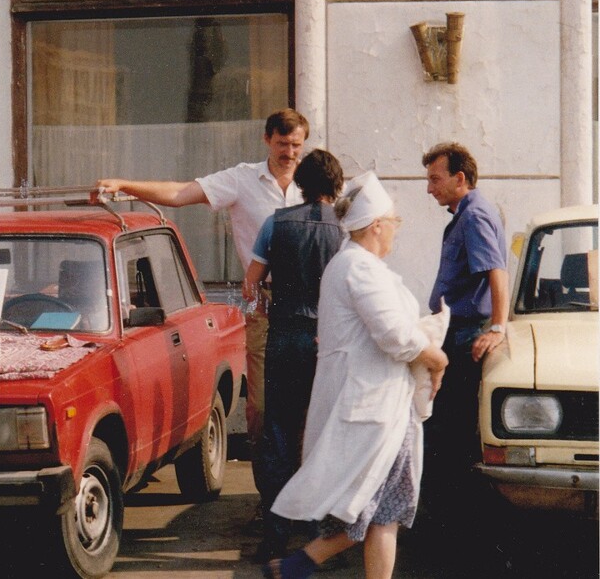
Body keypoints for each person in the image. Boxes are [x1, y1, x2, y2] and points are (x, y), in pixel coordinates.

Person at [98, 108, 307, 506]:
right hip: (265, 309)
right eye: (283, 145)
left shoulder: (311, 182)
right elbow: (180, 194)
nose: (290, 153)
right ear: (268, 140)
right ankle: (271, 502)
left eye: (297, 145)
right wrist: (126, 184)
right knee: (261, 411)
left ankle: (302, 499)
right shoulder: (243, 179)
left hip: (311, 311)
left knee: (307, 408)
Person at [265, 171, 449, 579]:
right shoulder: (358, 268)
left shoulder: (356, 265)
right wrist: (438, 359)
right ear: (378, 225)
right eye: (395, 224)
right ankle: (298, 564)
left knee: (384, 511)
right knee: (370, 506)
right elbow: (396, 337)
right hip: (373, 410)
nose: (396, 232)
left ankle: (298, 565)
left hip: (386, 407)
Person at [241, 149, 344, 561]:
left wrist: (264, 310)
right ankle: (320, 534)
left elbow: (250, 287)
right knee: (324, 436)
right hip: (329, 342)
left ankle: (275, 533)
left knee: (279, 434)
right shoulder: (347, 229)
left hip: (285, 337)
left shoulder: (275, 223)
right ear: (335, 186)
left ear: (300, 184)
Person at [420, 143, 508, 525]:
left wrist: (498, 328)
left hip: (465, 334)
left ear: (460, 178)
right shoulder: (465, 216)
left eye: (435, 179)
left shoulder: (474, 217)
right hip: (454, 331)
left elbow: (496, 273)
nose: (429, 188)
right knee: (446, 425)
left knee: (449, 428)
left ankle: (451, 520)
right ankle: (450, 515)